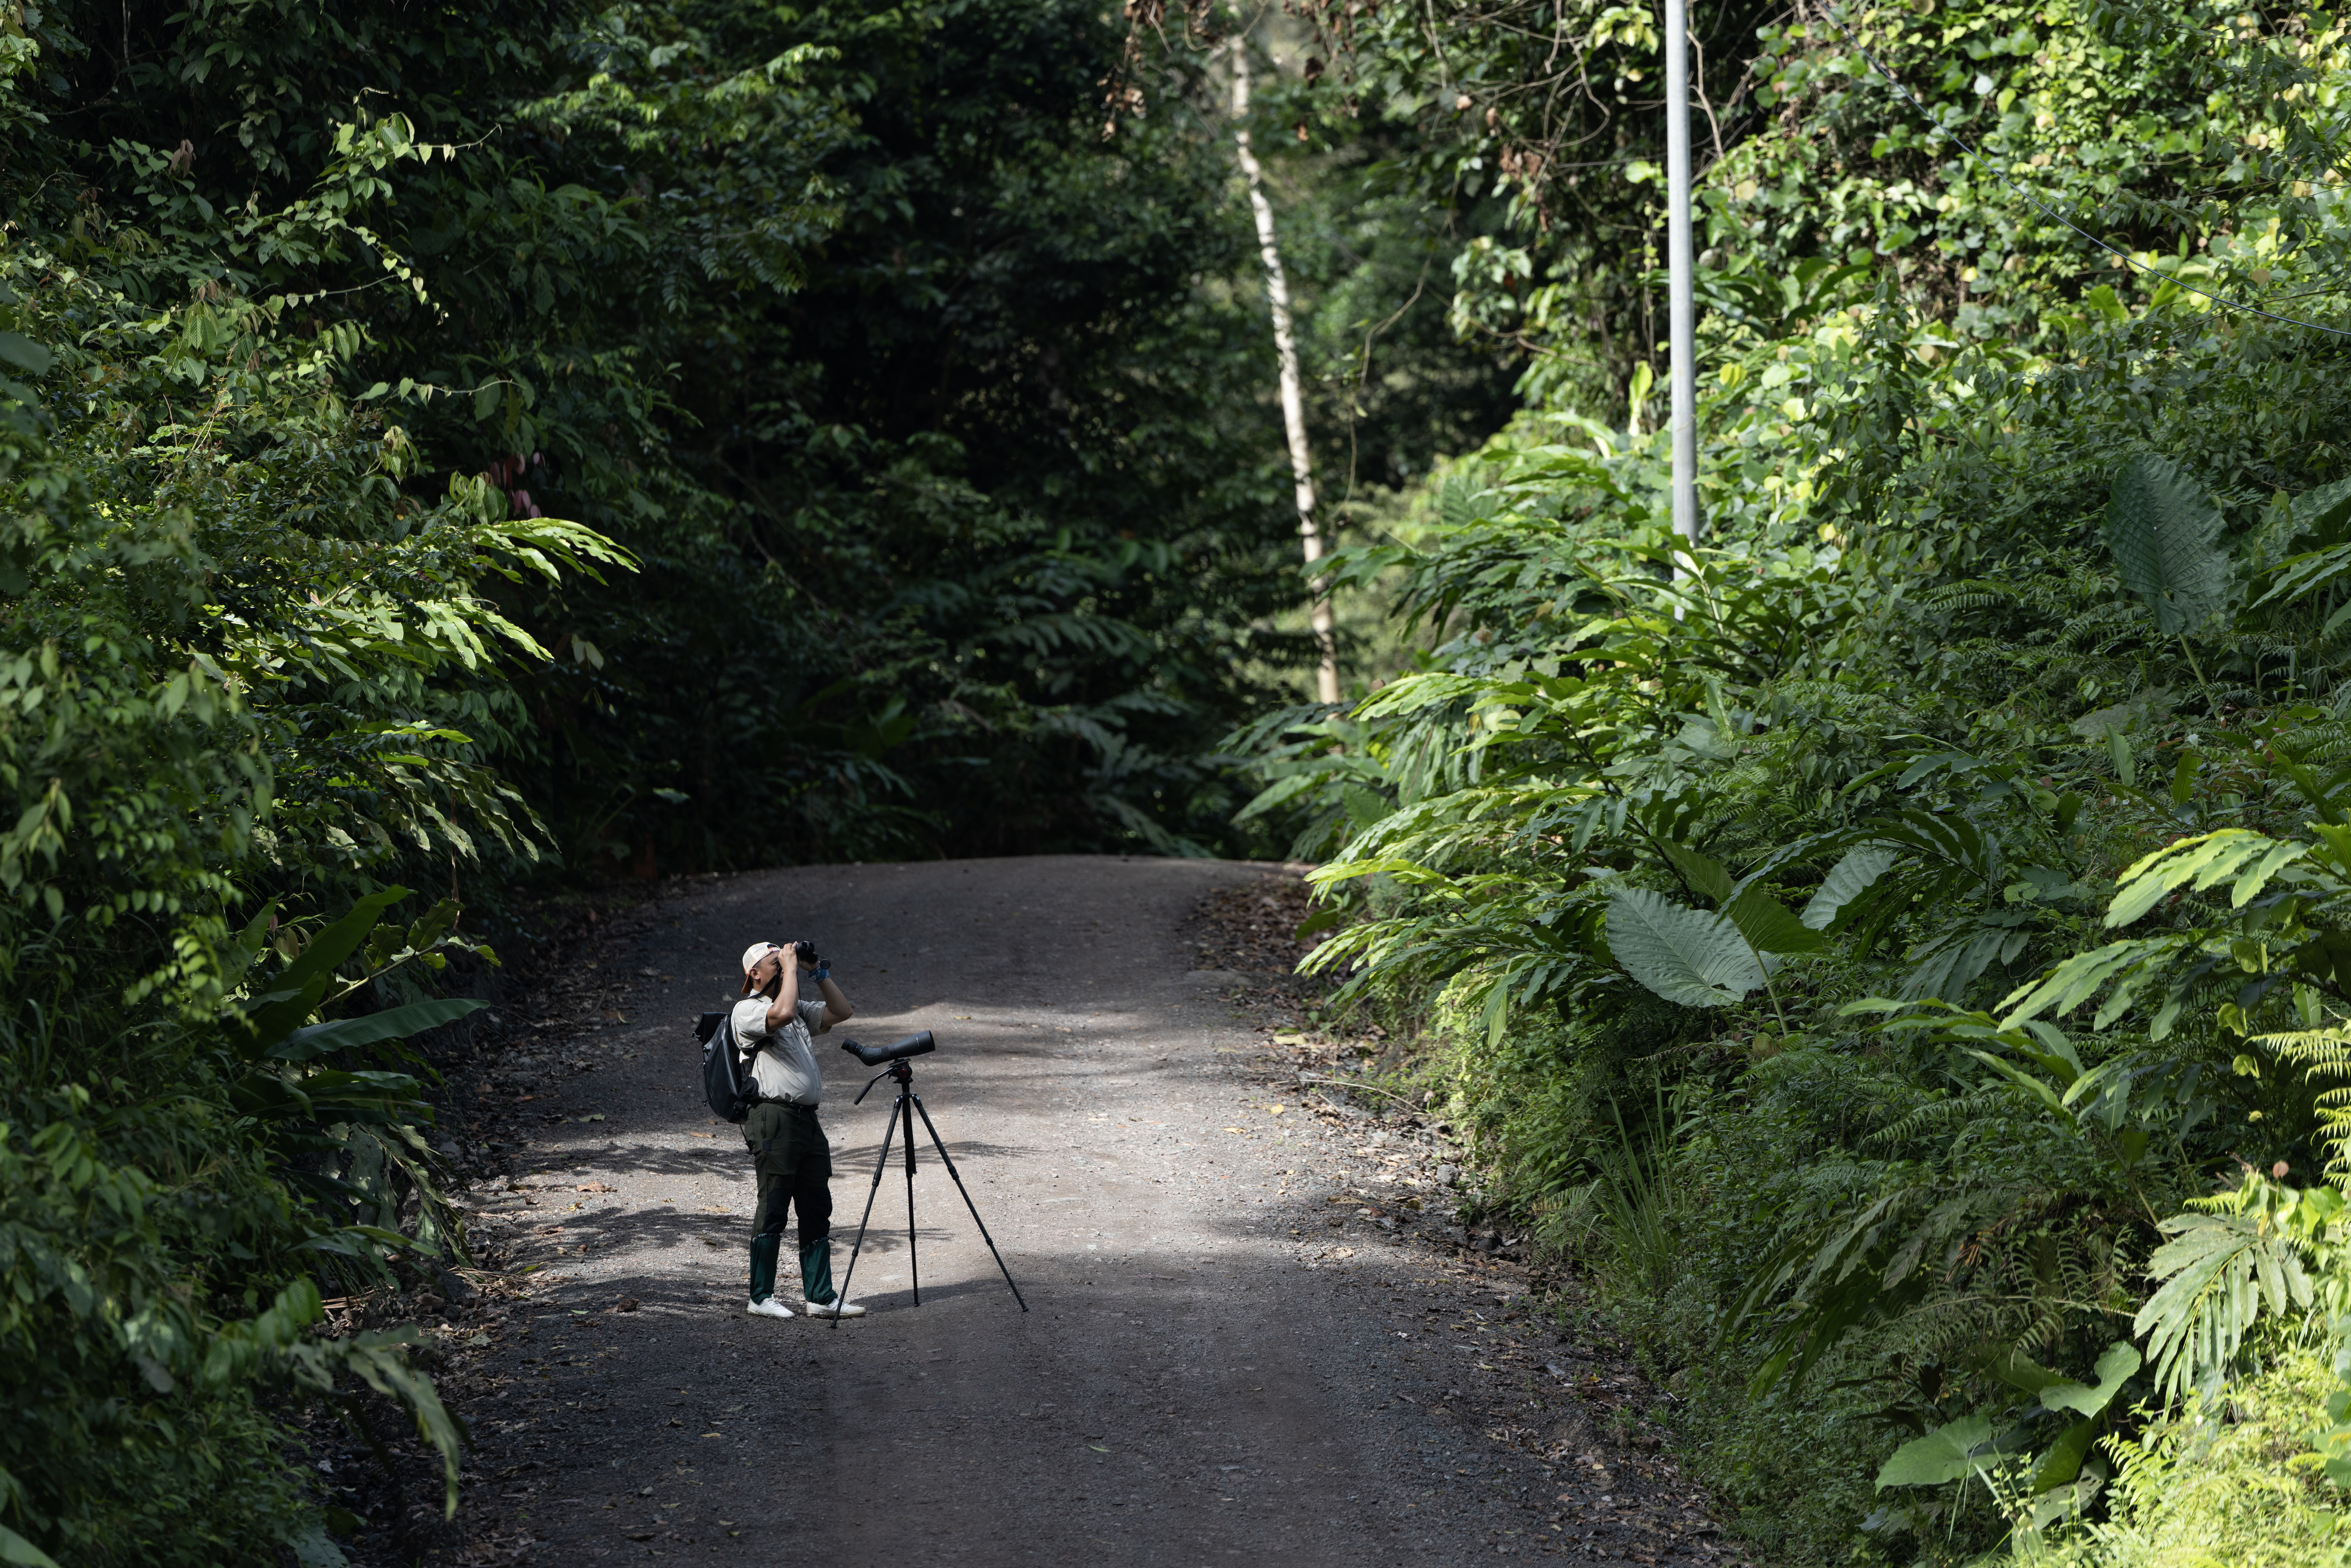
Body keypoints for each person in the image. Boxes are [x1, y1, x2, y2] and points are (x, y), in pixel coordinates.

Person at [734, 940, 866, 1319]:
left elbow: (842, 1011)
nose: (782, 962)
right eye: (773, 961)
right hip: (773, 1117)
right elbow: (785, 1011)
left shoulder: (796, 1007)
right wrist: (790, 969)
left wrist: (817, 971)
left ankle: (821, 1296)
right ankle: (760, 1297)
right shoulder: (747, 1011)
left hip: (807, 1119)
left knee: (816, 1205)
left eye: (783, 957)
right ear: (754, 974)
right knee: (775, 1205)